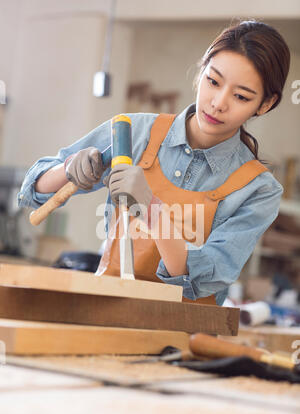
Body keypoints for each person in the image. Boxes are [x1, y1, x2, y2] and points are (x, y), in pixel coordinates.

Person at [18, 19, 290, 306]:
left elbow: (198, 281)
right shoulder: (133, 133)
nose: (218, 103)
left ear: (265, 104)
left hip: (183, 335)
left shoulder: (258, 190)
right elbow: (35, 189)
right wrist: (69, 169)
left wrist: (153, 210)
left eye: (240, 96)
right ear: (201, 72)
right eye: (213, 81)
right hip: (105, 311)